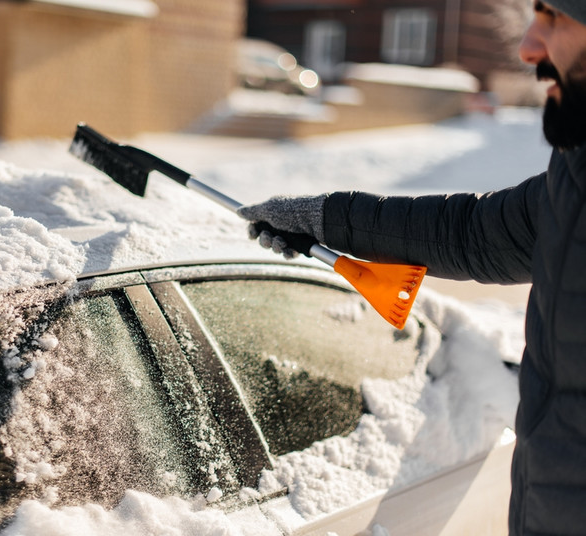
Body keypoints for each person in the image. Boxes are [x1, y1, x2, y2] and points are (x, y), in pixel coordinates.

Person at [237, 1, 586, 534]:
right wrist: (325, 219)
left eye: (556, 18)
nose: (528, 47)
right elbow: (474, 233)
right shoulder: (575, 174)